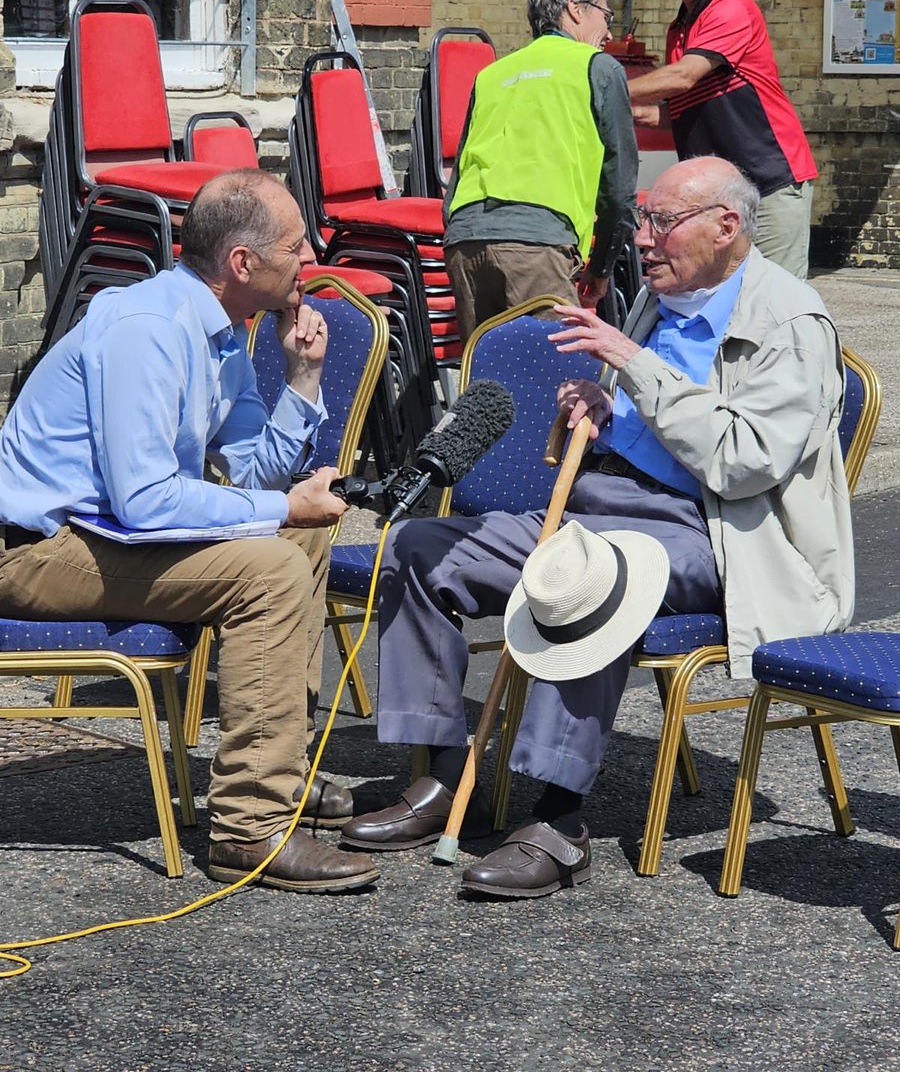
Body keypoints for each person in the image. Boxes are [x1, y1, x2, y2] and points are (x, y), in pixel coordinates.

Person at [341, 156, 853, 899]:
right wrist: (605, 410)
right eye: (644, 220)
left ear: (728, 226)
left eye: (664, 223)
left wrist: (633, 365)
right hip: (599, 506)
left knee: (591, 577)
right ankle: (445, 778)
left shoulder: (791, 320)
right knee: (422, 549)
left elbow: (744, 464)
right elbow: (651, 415)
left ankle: (558, 819)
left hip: (719, 536)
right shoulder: (662, 293)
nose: (644, 239)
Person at [0, 168, 379, 894]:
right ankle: (249, 831)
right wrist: (279, 510)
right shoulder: (148, 328)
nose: (311, 258)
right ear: (244, 263)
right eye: (298, 247)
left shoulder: (221, 335)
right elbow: (144, 500)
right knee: (269, 566)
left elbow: (255, 472)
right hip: (33, 546)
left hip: (100, 531)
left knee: (298, 541)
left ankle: (281, 770)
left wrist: (301, 379)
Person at [443, 0, 639, 342]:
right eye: (606, 16)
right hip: (536, 244)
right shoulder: (597, 68)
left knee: (485, 384)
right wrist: (601, 269)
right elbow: (619, 188)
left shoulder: (492, 74)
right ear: (575, 10)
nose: (610, 32)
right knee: (554, 386)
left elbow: (460, 171)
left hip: (465, 240)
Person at [626, 0, 817, 280]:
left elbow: (684, 77)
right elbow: (683, 111)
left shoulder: (730, 7)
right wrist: (616, 110)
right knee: (723, 296)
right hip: (721, 197)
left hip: (769, 180)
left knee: (774, 299)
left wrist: (603, 89)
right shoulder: (680, 28)